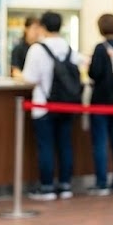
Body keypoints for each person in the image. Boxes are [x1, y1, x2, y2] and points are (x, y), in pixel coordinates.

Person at [22, 11, 83, 201]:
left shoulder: (37, 49)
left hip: (44, 105)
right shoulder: (69, 48)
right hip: (66, 105)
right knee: (65, 144)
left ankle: (47, 186)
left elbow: (30, 78)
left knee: (46, 146)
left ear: (42, 27)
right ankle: (65, 185)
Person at [86, 14, 113, 196]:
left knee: (100, 142)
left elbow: (94, 73)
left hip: (100, 100)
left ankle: (101, 182)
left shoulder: (100, 48)